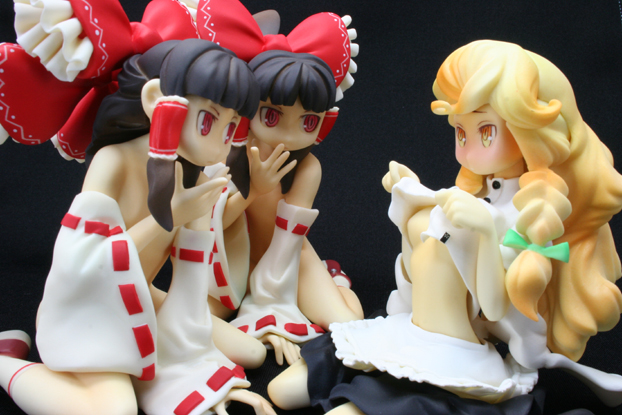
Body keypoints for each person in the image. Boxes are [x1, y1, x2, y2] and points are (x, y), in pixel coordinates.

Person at [267, 40, 622, 414]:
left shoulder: (528, 220)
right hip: (410, 330)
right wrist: (410, 206)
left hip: (452, 352)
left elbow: (495, 308)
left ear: (528, 131)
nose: (468, 148)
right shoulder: (466, 200)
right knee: (281, 391)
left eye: (486, 131)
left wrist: (486, 233)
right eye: (460, 132)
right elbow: (416, 274)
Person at [0, 39, 275, 415]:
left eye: (229, 129)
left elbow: (192, 272)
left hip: (141, 295)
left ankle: (148, 368)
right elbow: (79, 263)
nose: (218, 145)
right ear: (155, 100)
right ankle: (6, 362)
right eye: (208, 121)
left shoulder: (193, 174)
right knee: (115, 411)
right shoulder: (113, 162)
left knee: (252, 352)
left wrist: (189, 355)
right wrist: (168, 218)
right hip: (87, 311)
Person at [191, 0, 364, 366]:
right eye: (272, 115)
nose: (289, 134)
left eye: (307, 122)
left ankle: (336, 282)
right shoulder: (228, 152)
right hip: (229, 262)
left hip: (289, 261)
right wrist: (253, 188)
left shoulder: (307, 167)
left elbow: (288, 242)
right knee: (192, 317)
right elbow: (209, 221)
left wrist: (271, 311)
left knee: (351, 325)